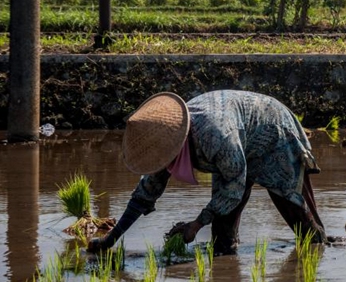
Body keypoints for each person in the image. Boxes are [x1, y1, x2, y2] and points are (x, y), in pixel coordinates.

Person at [87, 90, 326, 254]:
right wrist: (111, 238)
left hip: (273, 131)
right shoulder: (165, 144)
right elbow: (144, 195)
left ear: (178, 142)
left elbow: (235, 187)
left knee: (295, 210)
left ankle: (320, 245)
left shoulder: (216, 138)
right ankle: (227, 260)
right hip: (238, 137)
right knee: (221, 231)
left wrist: (196, 224)